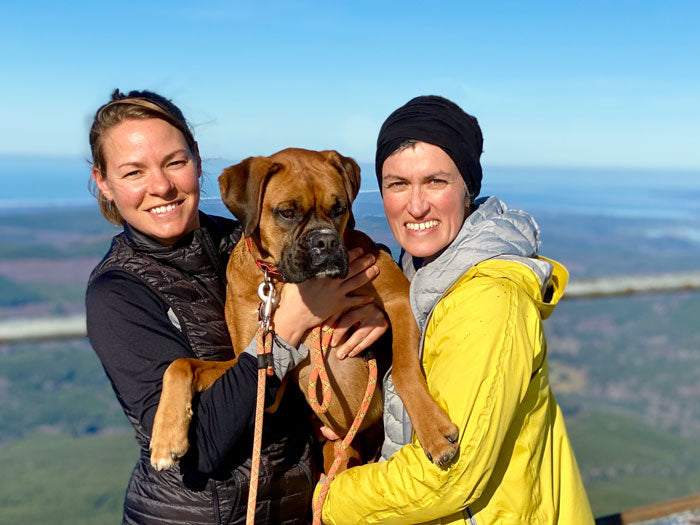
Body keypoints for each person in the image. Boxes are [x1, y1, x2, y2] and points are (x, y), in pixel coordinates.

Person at [85, 89, 387, 524]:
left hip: (297, 505)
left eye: (175, 162)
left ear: (198, 162)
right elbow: (204, 445)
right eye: (134, 172)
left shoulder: (251, 241)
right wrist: (288, 328)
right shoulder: (117, 293)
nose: (161, 186)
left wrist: (371, 308)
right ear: (104, 182)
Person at [317, 95, 594, 524]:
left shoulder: (489, 299)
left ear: (469, 189)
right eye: (397, 184)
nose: (415, 205)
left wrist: (325, 498)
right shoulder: (421, 279)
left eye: (435, 181)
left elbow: (446, 476)